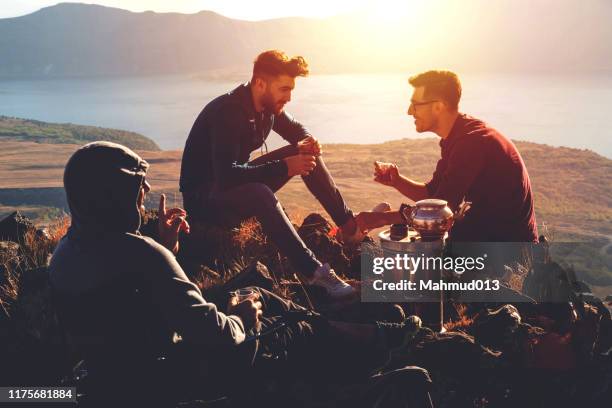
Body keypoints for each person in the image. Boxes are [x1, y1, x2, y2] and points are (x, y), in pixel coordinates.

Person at [49, 142, 434, 407]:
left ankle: (357, 332)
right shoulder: (143, 254)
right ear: (110, 196)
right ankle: (376, 345)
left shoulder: (64, 254)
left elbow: (137, 309)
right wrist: (242, 320)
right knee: (278, 322)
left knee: (256, 293)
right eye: (136, 187)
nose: (146, 191)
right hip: (172, 378)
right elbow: (214, 333)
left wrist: (168, 247)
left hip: (121, 377)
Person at [179, 50, 359, 298]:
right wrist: (286, 167)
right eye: (284, 89)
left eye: (291, 90)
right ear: (260, 83)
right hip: (205, 200)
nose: (289, 97)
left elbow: (296, 130)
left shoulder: (267, 106)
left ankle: (349, 227)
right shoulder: (229, 112)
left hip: (230, 187)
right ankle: (315, 273)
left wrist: (307, 140)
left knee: (307, 154)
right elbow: (226, 176)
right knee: (260, 193)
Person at [356, 70, 538, 245]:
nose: (410, 111)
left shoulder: (470, 143)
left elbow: (436, 215)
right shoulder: (459, 135)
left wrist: (378, 219)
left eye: (416, 104)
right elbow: (434, 194)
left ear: (438, 106)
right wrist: (397, 181)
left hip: (506, 256)